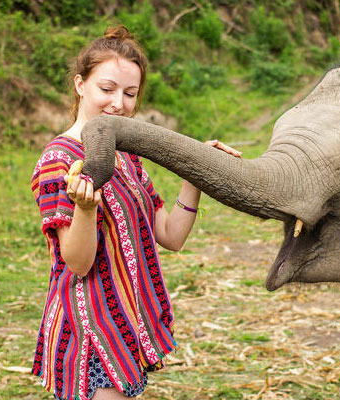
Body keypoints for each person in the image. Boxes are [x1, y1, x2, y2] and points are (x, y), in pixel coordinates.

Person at [30, 25, 241, 400]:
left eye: (130, 93)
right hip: (91, 332)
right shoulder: (57, 160)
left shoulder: (126, 156)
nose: (118, 104)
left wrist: (196, 173)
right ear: (80, 85)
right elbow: (77, 263)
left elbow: (170, 235)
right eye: (106, 89)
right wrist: (85, 209)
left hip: (127, 323)